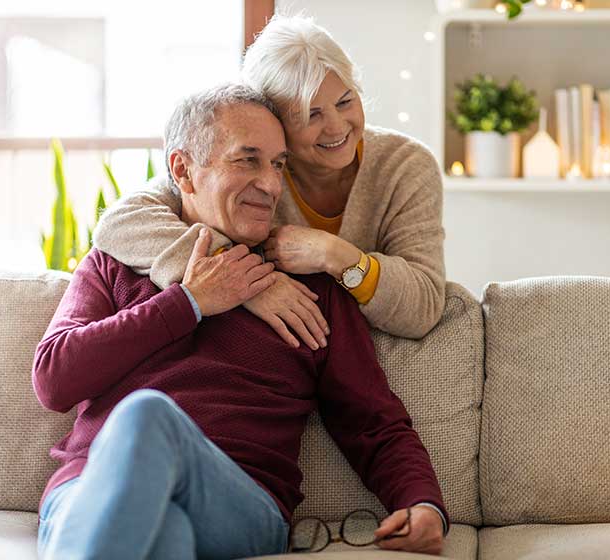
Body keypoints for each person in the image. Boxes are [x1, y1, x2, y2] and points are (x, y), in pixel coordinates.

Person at [33, 84, 447, 560]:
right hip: (89, 490)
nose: (271, 185)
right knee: (165, 536)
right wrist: (188, 303)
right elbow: (53, 378)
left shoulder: (309, 291)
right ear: (183, 171)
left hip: (238, 504)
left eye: (278, 164)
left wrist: (421, 502)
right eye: (247, 160)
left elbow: (373, 420)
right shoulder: (116, 263)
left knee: (149, 417)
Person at [93, 14, 446, 347]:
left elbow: (424, 307)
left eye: (345, 101)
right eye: (311, 114)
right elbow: (121, 223)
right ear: (273, 122)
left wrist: (333, 254)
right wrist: (249, 283)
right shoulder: (250, 176)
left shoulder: (405, 165)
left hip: (343, 360)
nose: (337, 127)